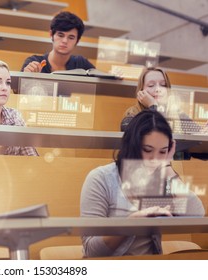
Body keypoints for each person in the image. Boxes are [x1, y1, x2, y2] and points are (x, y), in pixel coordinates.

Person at [80, 109, 205, 258]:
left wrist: (167, 167)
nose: (155, 160)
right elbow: (92, 251)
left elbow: (196, 214)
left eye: (163, 151)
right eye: (147, 150)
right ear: (132, 145)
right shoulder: (101, 179)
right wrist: (131, 224)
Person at [21, 11, 94, 73]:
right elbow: (16, 88)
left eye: (71, 37)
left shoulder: (81, 63)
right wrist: (27, 75)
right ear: (51, 34)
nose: (65, 41)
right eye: (60, 35)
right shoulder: (35, 62)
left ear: (77, 40)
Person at [120, 67, 171, 131]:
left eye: (163, 85)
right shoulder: (131, 116)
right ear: (141, 90)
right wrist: (153, 106)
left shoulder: (178, 115)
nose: (158, 89)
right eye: (151, 85)